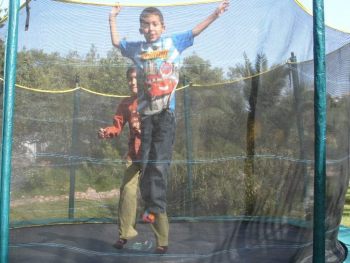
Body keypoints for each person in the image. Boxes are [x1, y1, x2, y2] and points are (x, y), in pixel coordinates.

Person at [108, 0, 230, 254]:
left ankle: (154, 210)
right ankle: (147, 209)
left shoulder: (173, 43)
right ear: (141, 29)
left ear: (163, 27)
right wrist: (113, 18)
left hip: (165, 115)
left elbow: (195, 31)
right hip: (146, 116)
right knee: (146, 164)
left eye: (154, 24)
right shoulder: (138, 49)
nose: (150, 29)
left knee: (159, 165)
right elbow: (117, 43)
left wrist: (216, 15)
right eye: (146, 25)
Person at [98, 66, 141, 250]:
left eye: (136, 78)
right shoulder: (125, 104)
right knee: (127, 192)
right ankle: (125, 234)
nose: (133, 82)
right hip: (134, 155)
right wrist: (106, 132)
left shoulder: (153, 100)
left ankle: (160, 238)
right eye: (130, 79)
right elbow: (117, 127)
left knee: (153, 197)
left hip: (153, 156)